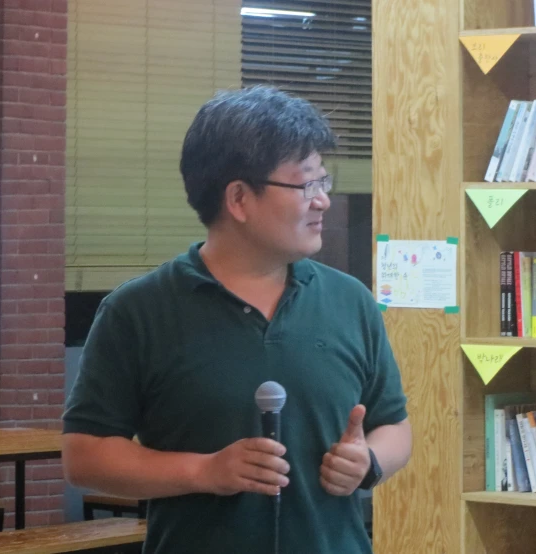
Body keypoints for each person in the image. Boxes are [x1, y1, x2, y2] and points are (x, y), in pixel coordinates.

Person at [62, 85, 412, 554]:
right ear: (239, 199)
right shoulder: (138, 311)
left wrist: (368, 461)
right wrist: (203, 471)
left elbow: (394, 427)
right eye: (305, 184)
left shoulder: (350, 300)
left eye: (322, 181)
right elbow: (85, 457)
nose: (323, 200)